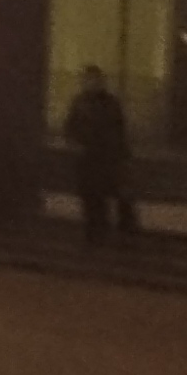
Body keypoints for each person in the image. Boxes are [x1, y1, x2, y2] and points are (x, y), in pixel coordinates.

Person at [62, 65, 134, 246]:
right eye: (88, 80)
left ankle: (100, 230)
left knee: (99, 194)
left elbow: (117, 130)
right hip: (90, 156)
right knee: (91, 195)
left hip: (103, 156)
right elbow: (70, 127)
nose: (91, 83)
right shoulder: (84, 102)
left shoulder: (95, 103)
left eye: (93, 80)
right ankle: (96, 230)